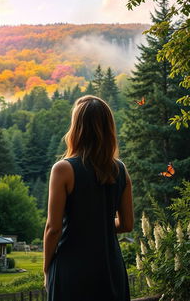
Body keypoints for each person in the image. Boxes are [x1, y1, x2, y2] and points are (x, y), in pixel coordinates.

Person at [43, 95, 134, 301]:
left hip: (72, 270)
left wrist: (47, 269)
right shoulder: (121, 170)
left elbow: (53, 228)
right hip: (111, 271)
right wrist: (98, 225)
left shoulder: (63, 169)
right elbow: (127, 224)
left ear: (77, 128)